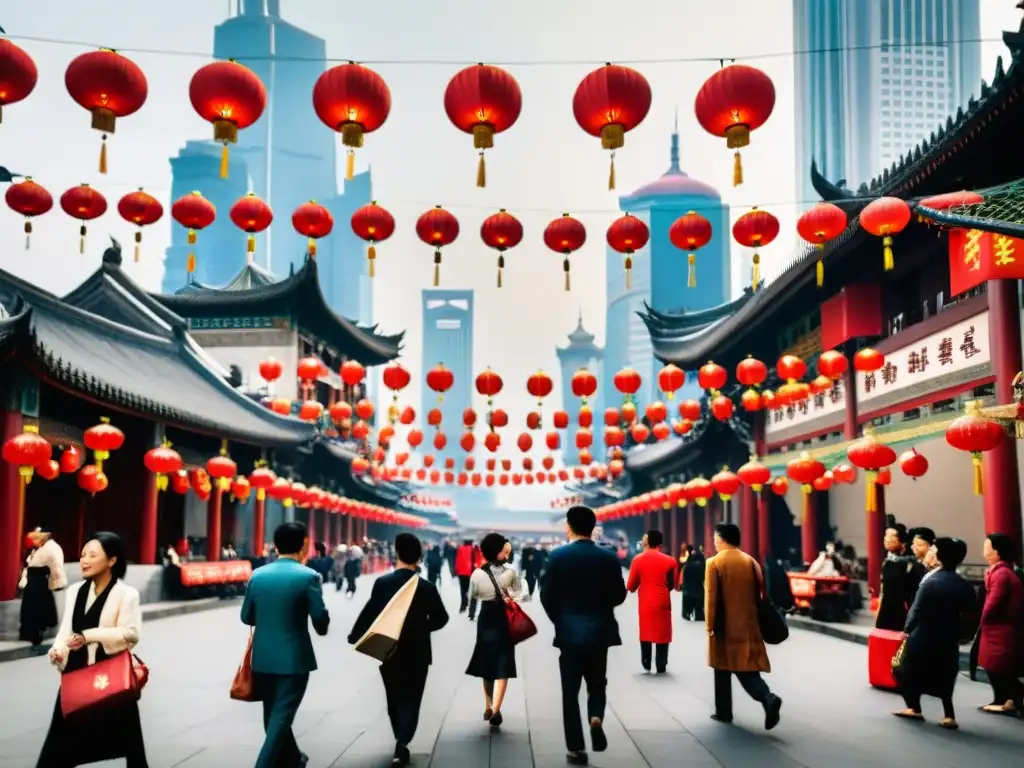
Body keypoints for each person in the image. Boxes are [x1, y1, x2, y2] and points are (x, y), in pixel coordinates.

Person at [37, 532, 148, 767]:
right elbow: (66, 631)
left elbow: (131, 633)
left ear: (112, 560)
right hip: (76, 672)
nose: (84, 560)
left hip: (112, 676)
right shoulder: (75, 591)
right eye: (83, 554)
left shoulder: (126, 595)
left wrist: (89, 636)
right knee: (57, 744)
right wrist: (58, 651)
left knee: (130, 744)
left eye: (93, 555)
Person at [349, 533, 449, 767]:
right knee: (412, 697)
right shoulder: (426, 587)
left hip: (389, 649)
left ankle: (400, 736)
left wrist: (355, 635)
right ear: (420, 557)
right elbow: (441, 618)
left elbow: (370, 612)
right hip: (419, 651)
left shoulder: (383, 584)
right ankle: (403, 740)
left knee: (393, 696)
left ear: (396, 554)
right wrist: (423, 628)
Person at [541, 506, 627, 766]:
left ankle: (576, 749)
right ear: (592, 526)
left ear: (569, 526)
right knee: (597, 683)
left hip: (569, 633)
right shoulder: (609, 557)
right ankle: (596, 717)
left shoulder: (557, 556)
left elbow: (547, 596)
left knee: (570, 691)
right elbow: (619, 596)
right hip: (600, 631)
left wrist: (561, 620)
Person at [241, 521, 330, 768]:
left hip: (262, 659)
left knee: (272, 718)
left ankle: (294, 759)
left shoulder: (257, 576)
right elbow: (320, 622)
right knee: (280, 719)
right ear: (303, 544)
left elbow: (246, 617)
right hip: (294, 659)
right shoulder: (309, 577)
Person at [705, 523, 783, 730]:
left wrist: (710, 626)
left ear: (721, 539)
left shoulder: (714, 563)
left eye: (715, 537)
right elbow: (762, 595)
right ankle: (767, 697)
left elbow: (711, 599)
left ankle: (726, 711)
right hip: (749, 625)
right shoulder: (751, 562)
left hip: (724, 627)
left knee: (722, 668)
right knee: (746, 667)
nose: (714, 541)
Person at [892, 537, 975, 729]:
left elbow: (917, 610)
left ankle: (914, 707)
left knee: (904, 669)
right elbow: (971, 612)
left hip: (923, 634)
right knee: (945, 673)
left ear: (939, 555)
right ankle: (949, 715)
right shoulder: (964, 584)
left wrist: (906, 630)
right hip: (948, 636)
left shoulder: (931, 582)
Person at [466, 534, 522, 728]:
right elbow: (519, 594)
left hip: (486, 617)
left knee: (487, 661)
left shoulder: (477, 573)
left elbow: (473, 594)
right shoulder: (511, 572)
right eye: (505, 551)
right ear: (499, 552)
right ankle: (497, 709)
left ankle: (488, 705)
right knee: (503, 662)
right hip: (504, 617)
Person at [978, 532, 1024, 715]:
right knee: (995, 667)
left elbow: (993, 603)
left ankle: (1014, 700)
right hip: (996, 629)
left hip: (1001, 629)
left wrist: (981, 620)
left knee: (1000, 669)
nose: (984, 554)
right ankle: (1003, 700)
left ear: (997, 552)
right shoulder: (999, 571)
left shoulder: (1002, 574)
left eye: (987, 549)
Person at [627, 530, 677, 673]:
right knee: (663, 632)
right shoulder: (670, 561)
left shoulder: (638, 560)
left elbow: (631, 586)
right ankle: (662, 662)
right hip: (663, 600)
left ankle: (646, 660)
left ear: (647, 541)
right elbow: (672, 585)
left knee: (646, 630)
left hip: (646, 601)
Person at [19, 527, 67, 646]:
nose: (35, 539)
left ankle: (37, 634)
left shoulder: (52, 548)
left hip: (40, 582)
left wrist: (57, 583)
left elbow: (57, 567)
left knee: (37, 610)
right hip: (32, 581)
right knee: (29, 609)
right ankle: (29, 633)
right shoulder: (38, 548)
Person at [875, 519, 920, 631]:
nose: (887, 539)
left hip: (902, 610)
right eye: (886, 535)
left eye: (892, 537)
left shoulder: (910, 564)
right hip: (885, 608)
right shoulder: (887, 561)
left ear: (903, 543)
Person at [680, 546, 706, 621]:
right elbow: (704, 578)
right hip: (699, 590)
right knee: (699, 608)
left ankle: (687, 613)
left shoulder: (688, 566)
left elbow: (684, 578)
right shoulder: (702, 567)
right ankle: (699, 615)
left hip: (688, 590)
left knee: (688, 604)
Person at [455, 539, 475, 613]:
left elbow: (457, 560)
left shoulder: (460, 548)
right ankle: (469, 607)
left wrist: (456, 570)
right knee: (469, 589)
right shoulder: (473, 549)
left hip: (461, 573)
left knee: (463, 589)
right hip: (470, 573)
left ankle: (463, 605)